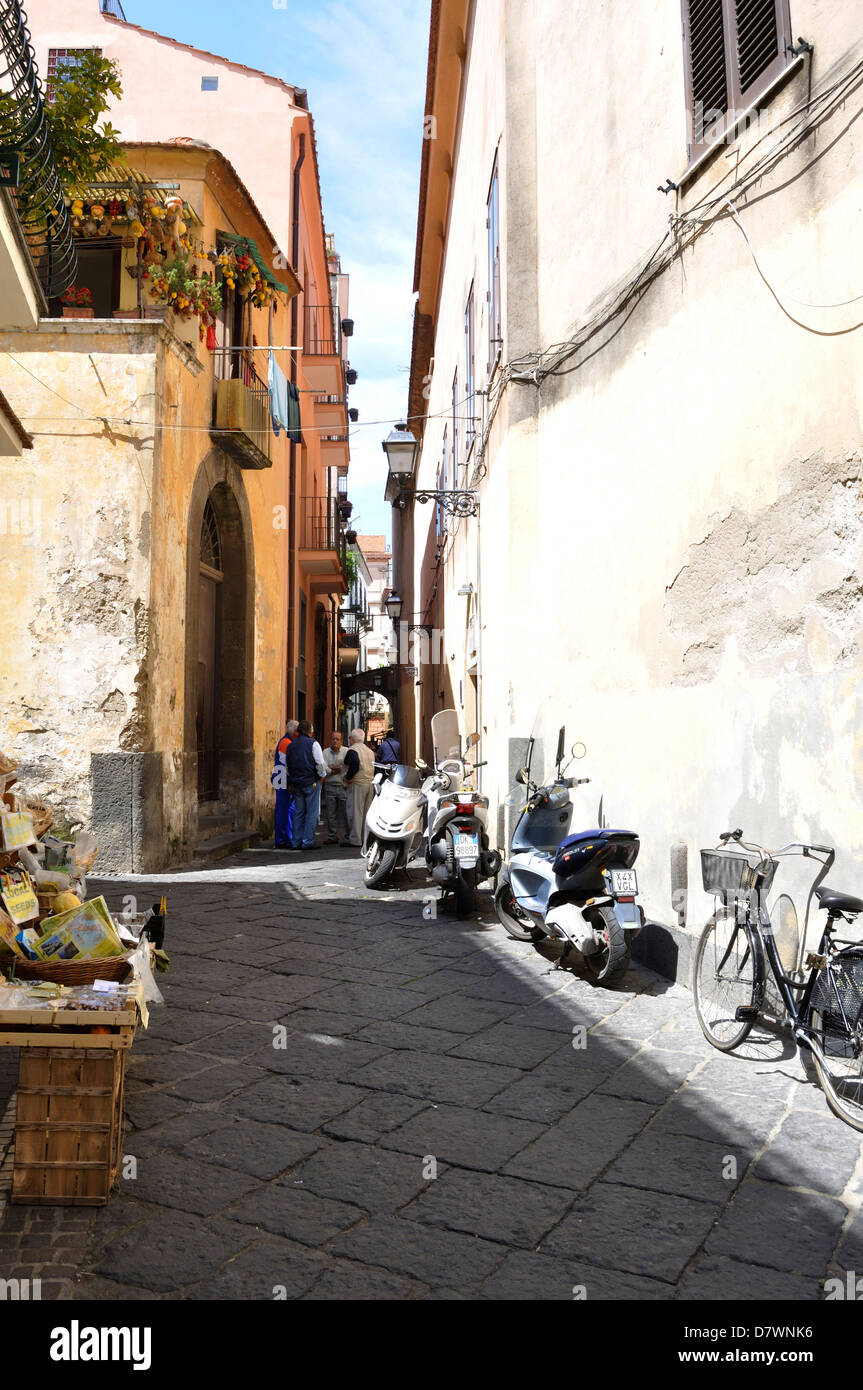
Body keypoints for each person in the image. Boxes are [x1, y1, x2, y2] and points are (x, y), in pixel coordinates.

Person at [283, 720, 328, 850]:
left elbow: (287, 766)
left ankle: (296, 841)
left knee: (298, 812)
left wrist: (291, 780)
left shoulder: (291, 745)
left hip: (296, 783)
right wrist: (322, 775)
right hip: (311, 782)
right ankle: (307, 840)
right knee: (312, 813)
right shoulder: (313, 744)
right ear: (310, 731)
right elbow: (319, 763)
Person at [344, 728, 376, 847]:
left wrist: (347, 777)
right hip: (369, 784)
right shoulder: (369, 751)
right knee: (366, 813)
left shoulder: (352, 750)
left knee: (355, 813)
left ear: (352, 739)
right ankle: (365, 838)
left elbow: (354, 765)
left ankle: (355, 839)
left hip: (357, 784)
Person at [272, 719, 299, 849]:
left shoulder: (288, 742)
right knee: (284, 810)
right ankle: (282, 839)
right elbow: (284, 764)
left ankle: (286, 837)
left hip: (282, 778)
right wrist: (290, 782)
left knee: (287, 809)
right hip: (283, 779)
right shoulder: (286, 743)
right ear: (294, 731)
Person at [322, 731, 349, 846]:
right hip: (329, 785)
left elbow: (347, 768)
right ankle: (332, 836)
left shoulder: (347, 751)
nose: (335, 741)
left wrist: (338, 769)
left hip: (343, 786)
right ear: (330, 740)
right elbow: (323, 767)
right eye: (333, 739)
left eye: (337, 739)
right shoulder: (325, 752)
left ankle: (349, 835)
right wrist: (333, 770)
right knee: (331, 813)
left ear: (341, 741)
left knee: (346, 813)